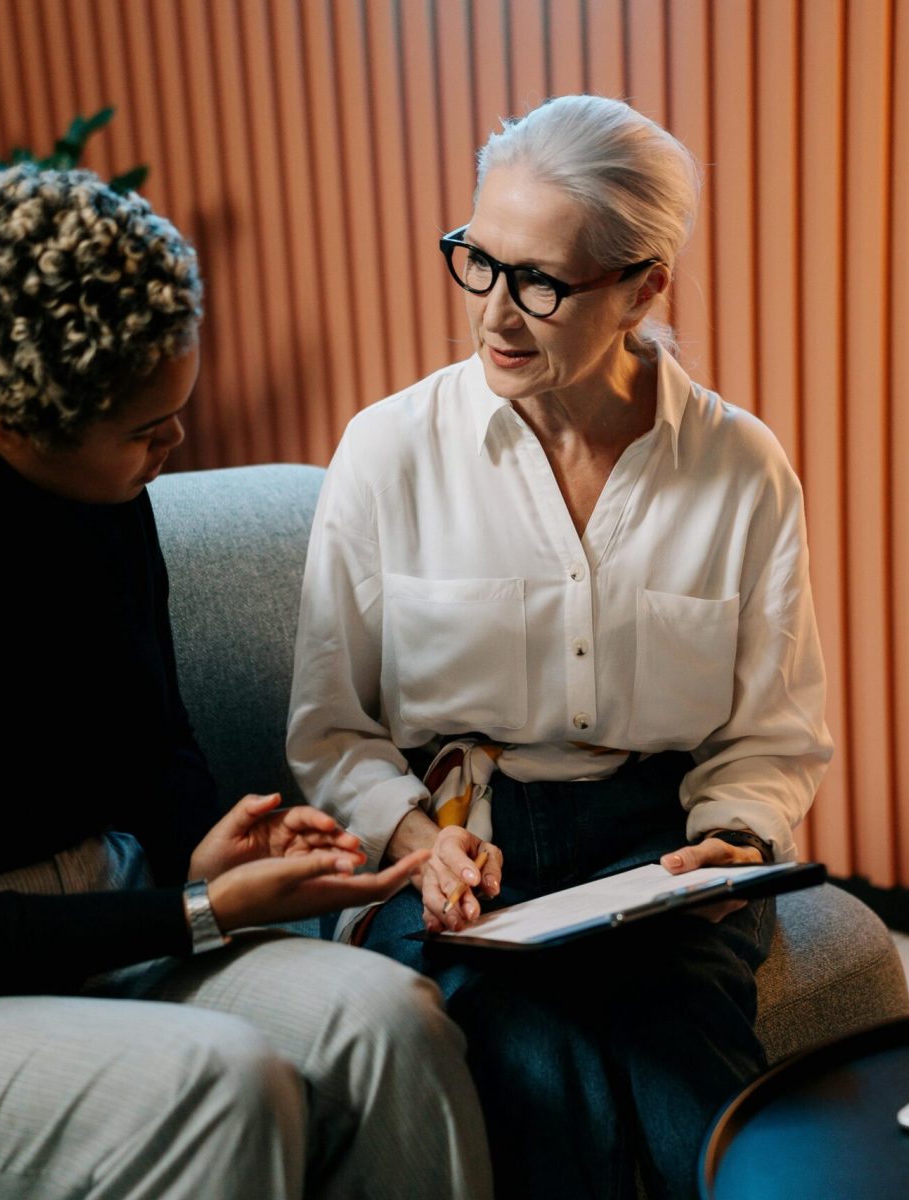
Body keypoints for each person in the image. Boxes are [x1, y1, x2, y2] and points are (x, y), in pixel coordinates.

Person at [287, 95, 833, 1200]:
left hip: (659, 855)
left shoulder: (740, 467)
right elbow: (331, 726)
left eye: (539, 282)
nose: (495, 314)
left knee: (716, 1127)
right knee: (541, 1084)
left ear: (643, 288)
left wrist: (735, 835)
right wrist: (413, 838)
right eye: (477, 262)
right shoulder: (387, 451)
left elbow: (770, 731)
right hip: (457, 850)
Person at [0, 165, 492, 1200]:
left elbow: (151, 738)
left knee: (389, 1021)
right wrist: (197, 911)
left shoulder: (109, 507)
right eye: (147, 431)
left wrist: (203, 850)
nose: (178, 449)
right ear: (13, 426)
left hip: (116, 907)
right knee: (223, 1083)